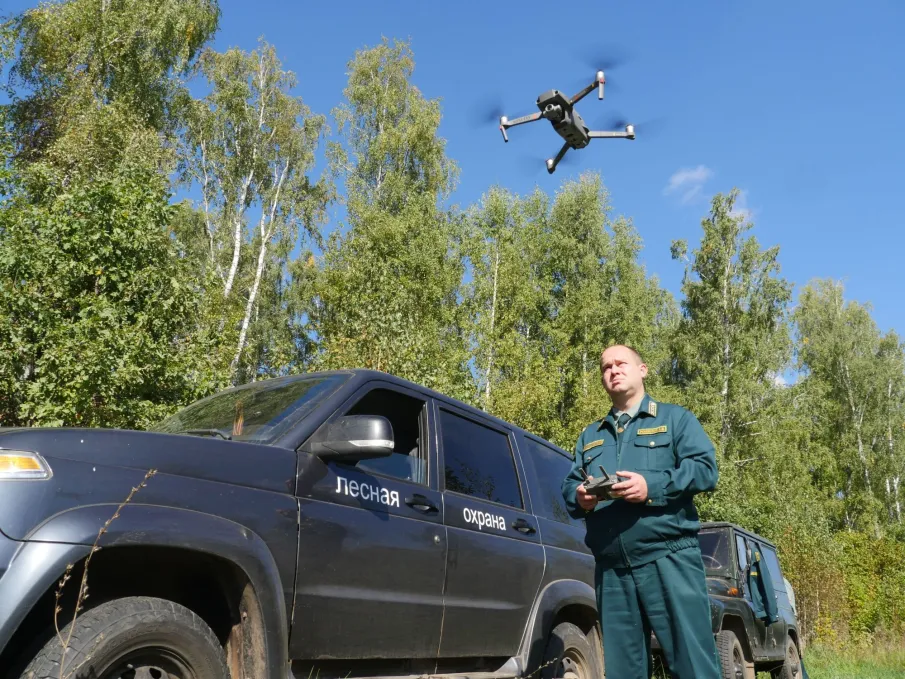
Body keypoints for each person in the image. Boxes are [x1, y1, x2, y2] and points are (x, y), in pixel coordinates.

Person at [561, 344, 721, 679]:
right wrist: (580, 497)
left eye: (621, 363)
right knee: (623, 671)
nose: (613, 370)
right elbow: (569, 487)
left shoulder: (675, 419)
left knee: (694, 665)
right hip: (612, 569)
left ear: (642, 369)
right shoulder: (590, 436)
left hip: (669, 559)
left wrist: (652, 487)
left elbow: (705, 470)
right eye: (606, 367)